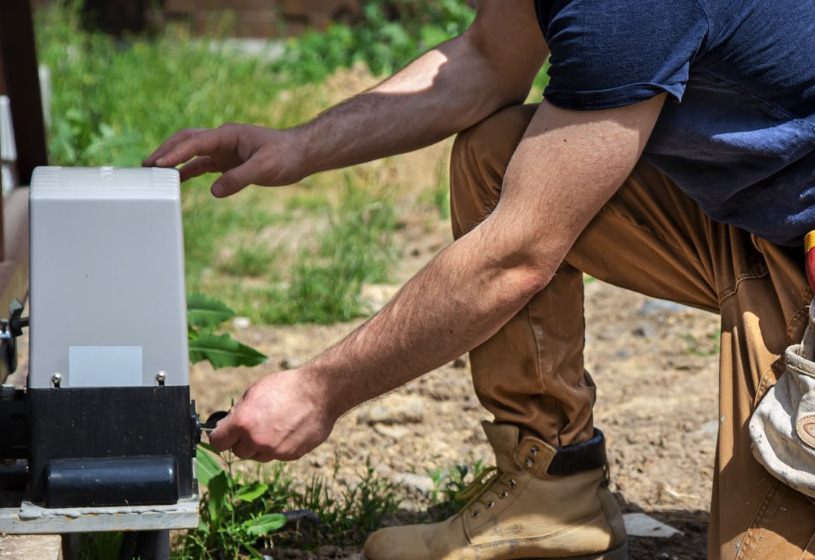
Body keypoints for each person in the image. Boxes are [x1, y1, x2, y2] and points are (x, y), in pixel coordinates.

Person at [145, 0, 815, 558]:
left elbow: (516, 255)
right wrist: (300, 144)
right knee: (498, 155)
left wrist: (318, 392)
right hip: (762, 225)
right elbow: (487, 62)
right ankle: (551, 490)